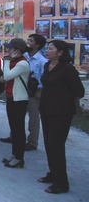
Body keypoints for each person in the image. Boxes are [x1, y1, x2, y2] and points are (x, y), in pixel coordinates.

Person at [39, 40, 84, 194]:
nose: (47, 50)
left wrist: (63, 97)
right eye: (47, 48)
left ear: (60, 53)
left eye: (51, 48)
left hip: (60, 113)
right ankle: (53, 174)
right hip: (46, 110)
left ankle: (61, 183)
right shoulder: (47, 66)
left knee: (56, 146)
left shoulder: (67, 69)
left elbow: (79, 91)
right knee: (49, 145)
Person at [0, 38, 29, 168]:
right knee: (14, 128)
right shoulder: (14, 61)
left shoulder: (22, 63)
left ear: (17, 50)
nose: (8, 51)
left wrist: (6, 61)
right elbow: (5, 76)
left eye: (10, 48)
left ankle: (19, 157)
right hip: (11, 97)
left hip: (19, 99)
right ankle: (15, 153)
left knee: (18, 129)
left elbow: (6, 76)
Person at [24, 34, 48, 151]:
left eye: (31, 40)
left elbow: (44, 78)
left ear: (37, 45)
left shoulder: (42, 61)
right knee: (18, 114)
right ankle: (14, 136)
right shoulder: (25, 56)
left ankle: (32, 142)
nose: (28, 42)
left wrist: (40, 92)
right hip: (23, 89)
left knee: (33, 117)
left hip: (34, 91)